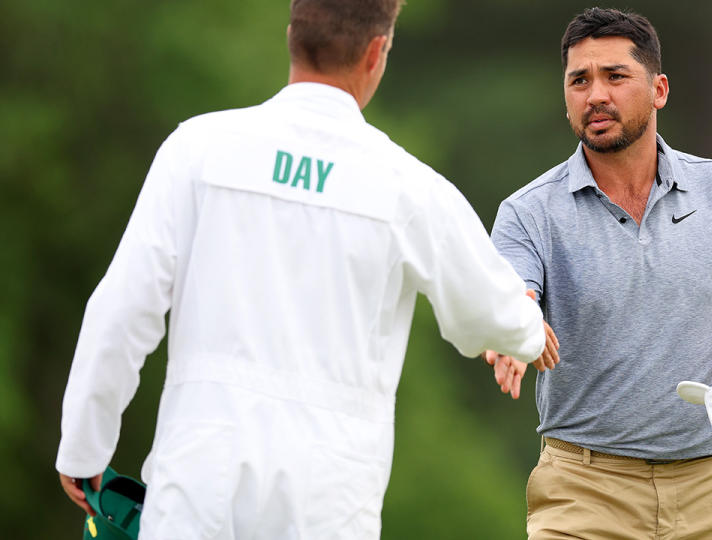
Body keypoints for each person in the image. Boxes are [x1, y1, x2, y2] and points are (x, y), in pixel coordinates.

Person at [55, 1, 559, 538]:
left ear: (292, 34)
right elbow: (487, 311)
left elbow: (123, 307)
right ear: (376, 51)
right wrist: (527, 334)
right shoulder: (407, 184)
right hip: (329, 494)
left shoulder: (197, 149)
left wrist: (85, 445)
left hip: (199, 475)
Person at [483, 7, 712, 539]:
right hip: (584, 492)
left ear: (658, 89)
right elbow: (513, 296)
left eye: (615, 76)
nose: (595, 95)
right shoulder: (527, 211)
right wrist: (515, 324)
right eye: (579, 80)